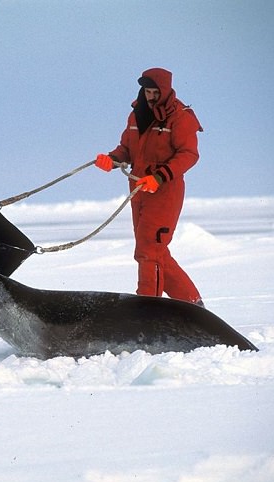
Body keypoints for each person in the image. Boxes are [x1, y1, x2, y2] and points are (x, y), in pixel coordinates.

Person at [95, 67, 204, 307]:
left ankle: (147, 309)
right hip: (139, 189)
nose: (151, 96)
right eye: (147, 91)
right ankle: (192, 305)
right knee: (155, 251)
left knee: (148, 252)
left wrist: (160, 177)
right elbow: (126, 149)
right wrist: (112, 160)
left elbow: (189, 154)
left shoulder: (180, 117)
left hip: (165, 192)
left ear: (165, 91)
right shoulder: (137, 115)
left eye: (155, 91)